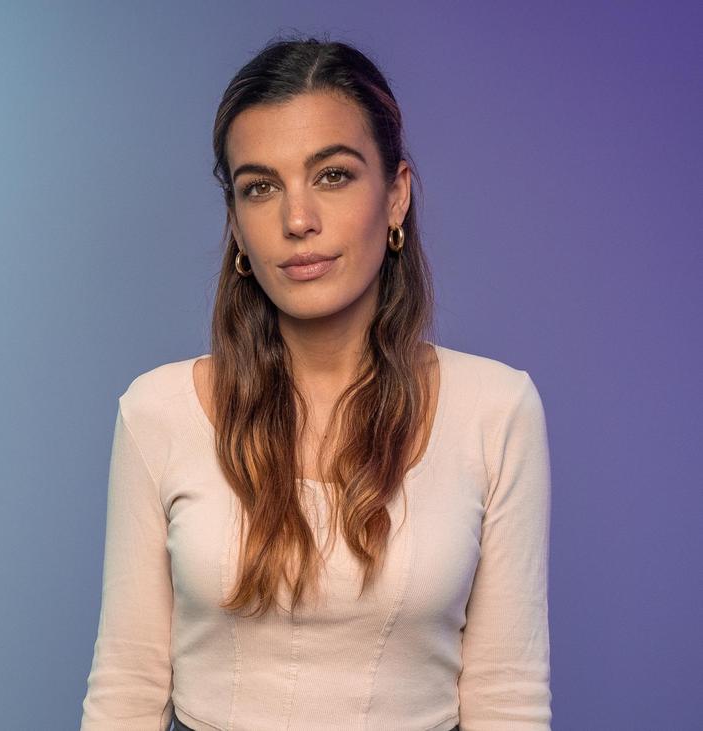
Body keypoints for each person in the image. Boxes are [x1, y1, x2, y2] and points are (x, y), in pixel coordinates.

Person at [79, 36, 551, 731]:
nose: (297, 220)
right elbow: (127, 688)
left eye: (332, 175)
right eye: (260, 187)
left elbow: (508, 699)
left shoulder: (496, 410)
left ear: (396, 196)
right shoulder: (156, 412)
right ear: (236, 224)